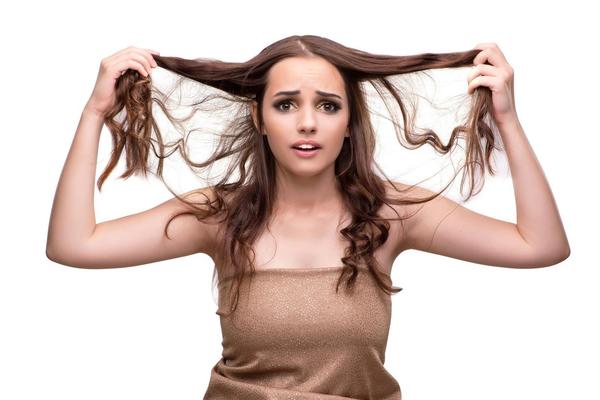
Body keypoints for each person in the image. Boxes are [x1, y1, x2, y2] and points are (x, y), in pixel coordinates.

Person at [46, 35, 570, 399]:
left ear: (350, 123)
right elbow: (73, 245)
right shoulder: (219, 216)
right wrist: (94, 113)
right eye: (285, 104)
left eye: (327, 105)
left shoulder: (391, 214)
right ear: (260, 118)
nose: (307, 123)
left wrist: (507, 119)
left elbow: (540, 245)